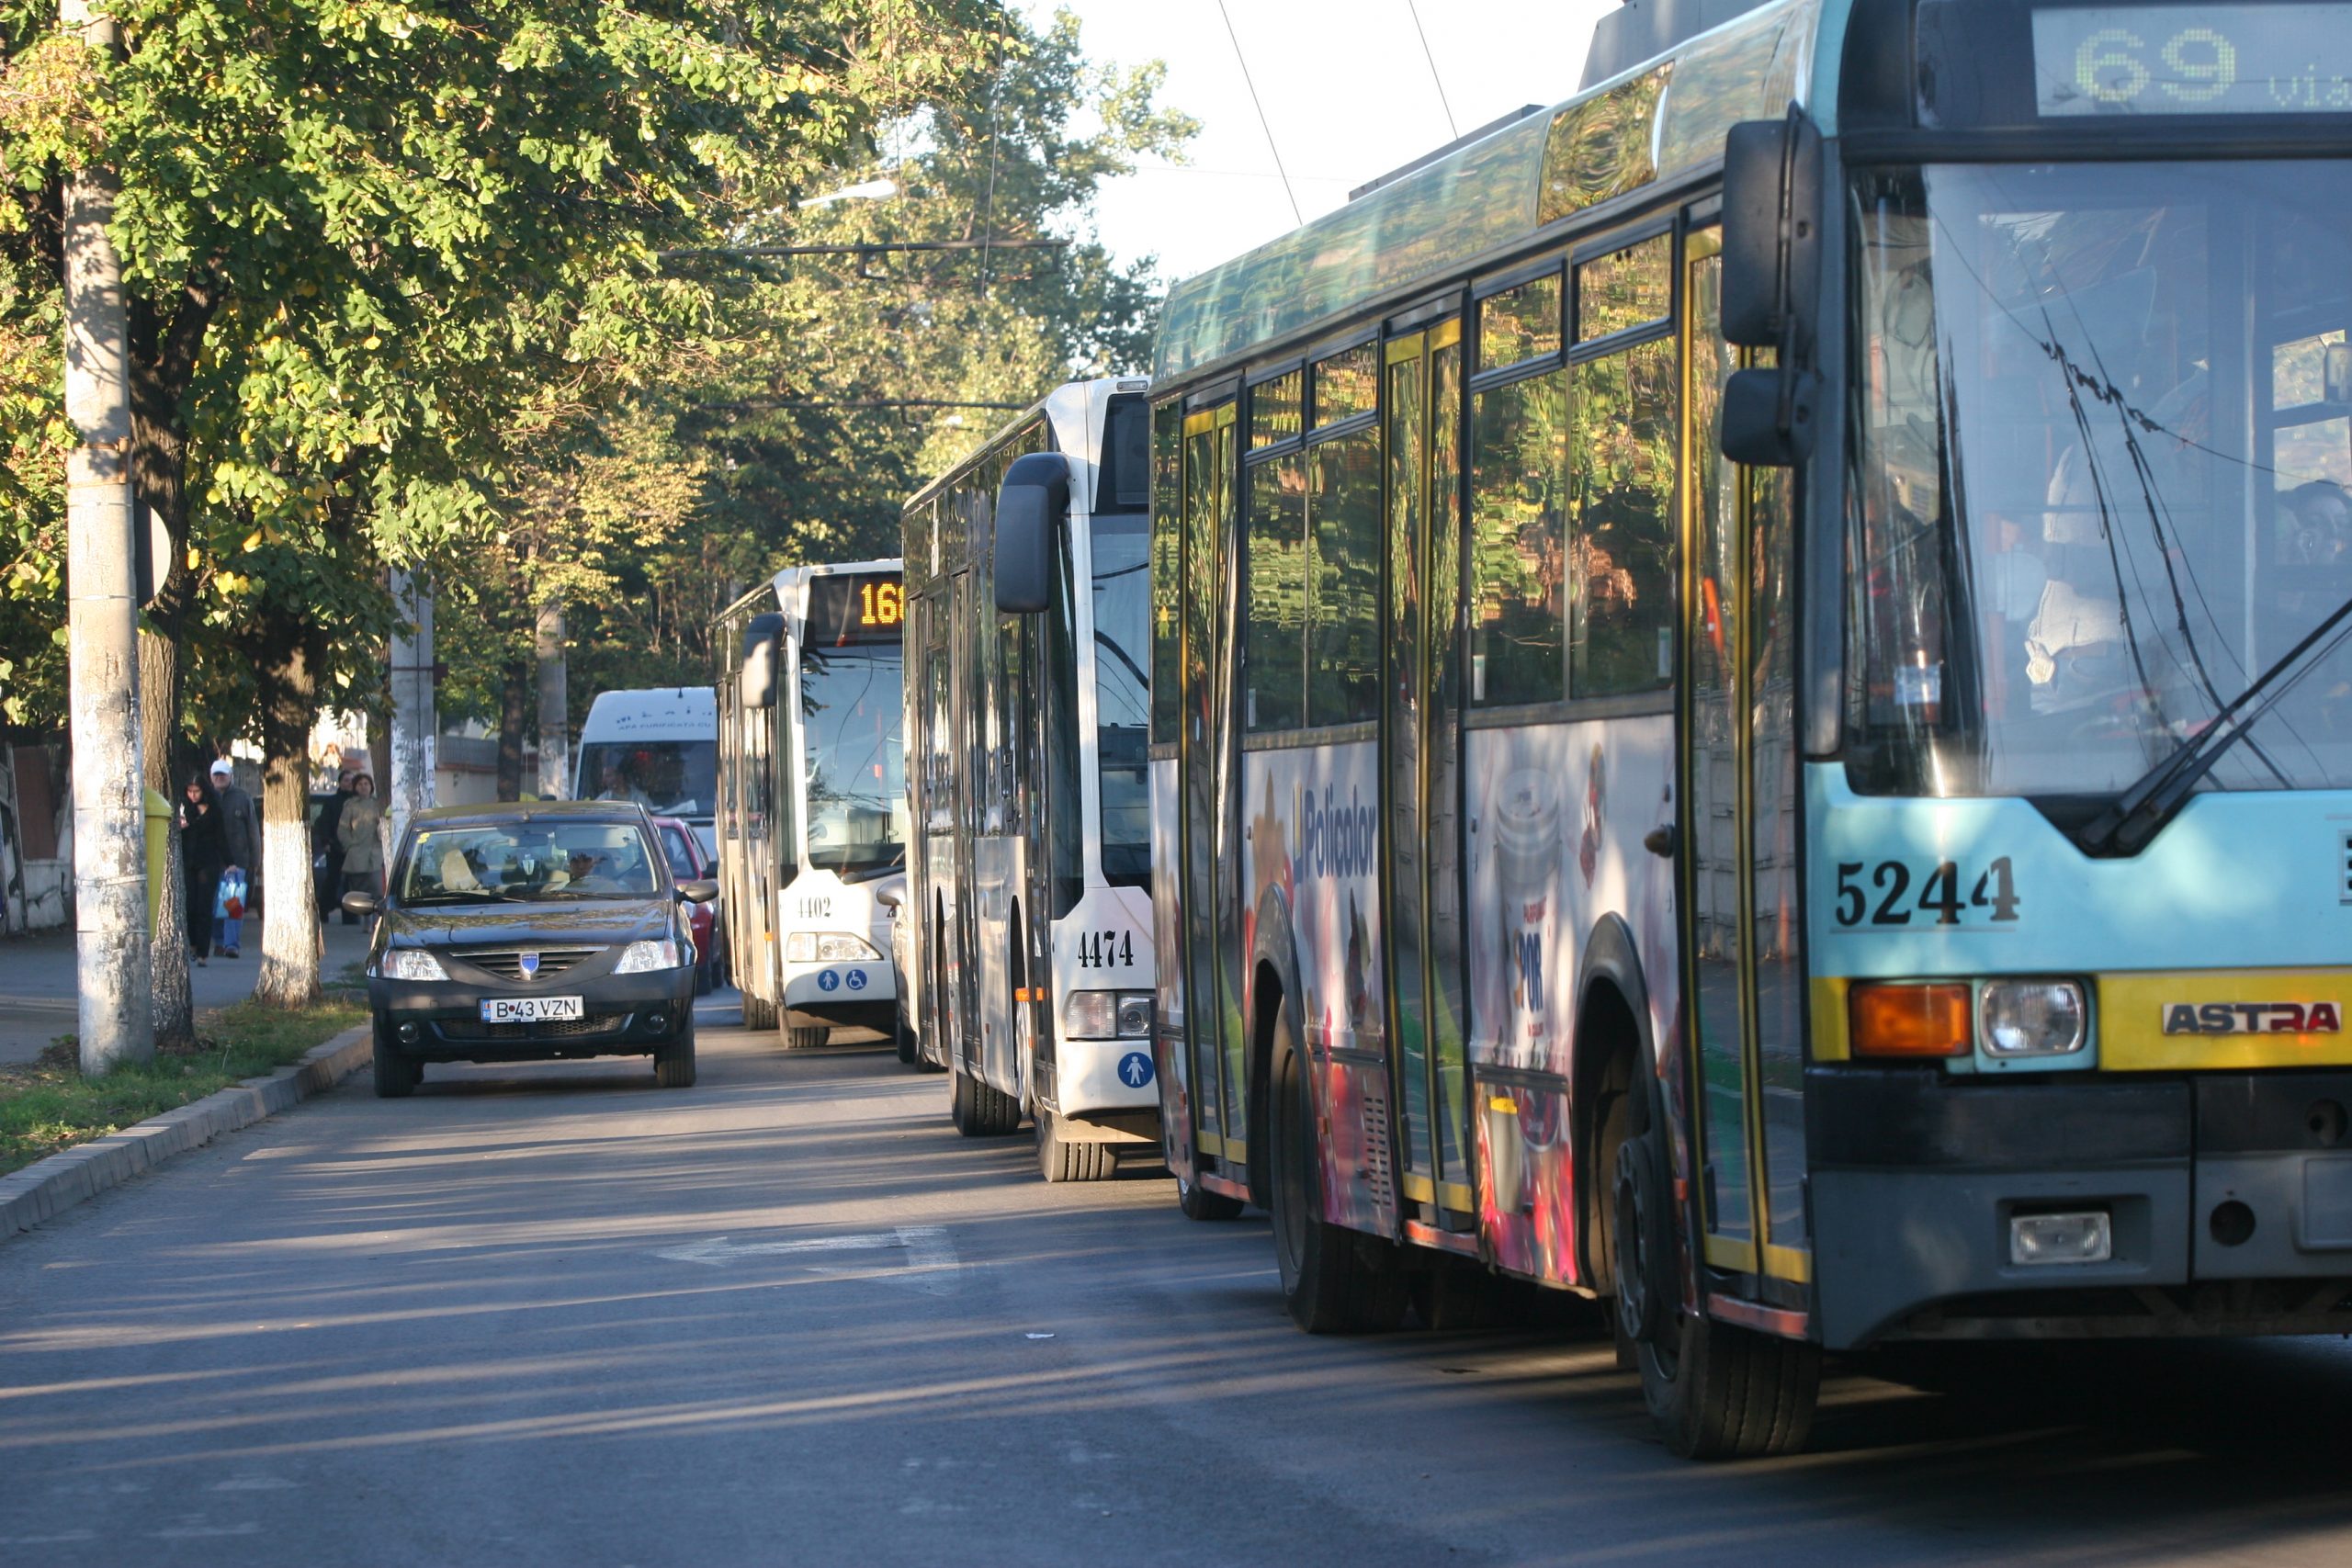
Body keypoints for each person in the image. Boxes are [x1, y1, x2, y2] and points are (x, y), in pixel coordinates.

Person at [209, 757, 258, 957]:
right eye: (216, 775)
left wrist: (255, 861)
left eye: (223, 775)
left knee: (232, 905)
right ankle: (219, 941)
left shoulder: (242, 798)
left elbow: (253, 831)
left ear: (230, 776)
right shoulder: (206, 797)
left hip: (237, 863)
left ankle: (231, 945)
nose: (219, 778)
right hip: (211, 861)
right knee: (214, 906)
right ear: (211, 777)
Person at [178, 772, 227, 967]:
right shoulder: (183, 807)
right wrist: (182, 827)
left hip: (208, 863)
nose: (193, 795)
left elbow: (221, 837)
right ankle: (193, 942)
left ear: (203, 790)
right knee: (190, 906)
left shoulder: (213, 809)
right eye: (190, 791)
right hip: (189, 863)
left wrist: (230, 862)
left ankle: (202, 953)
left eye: (196, 791)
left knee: (204, 908)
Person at [334, 773, 383, 924]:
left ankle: (377, 923)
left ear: (371, 786)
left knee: (377, 889)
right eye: (360, 784)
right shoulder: (350, 805)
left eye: (366, 784)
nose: (363, 787)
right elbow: (343, 829)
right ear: (355, 787)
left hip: (375, 854)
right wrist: (350, 845)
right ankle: (366, 923)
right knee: (360, 892)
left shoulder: (378, 804)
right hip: (356, 855)